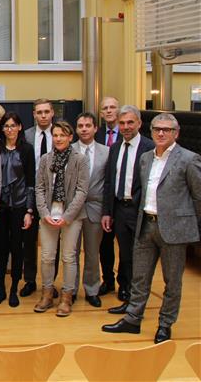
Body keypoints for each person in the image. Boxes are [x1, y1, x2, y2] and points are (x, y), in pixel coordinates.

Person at [102, 113, 201, 344]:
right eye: (157, 129)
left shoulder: (189, 159)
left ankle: (165, 324)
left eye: (167, 129)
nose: (161, 133)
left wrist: (194, 227)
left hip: (174, 230)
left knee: (172, 282)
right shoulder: (146, 158)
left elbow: (198, 197)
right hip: (146, 224)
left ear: (176, 133)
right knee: (140, 277)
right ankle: (133, 319)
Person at [33, 121, 89, 317]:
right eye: (55, 135)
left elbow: (82, 191)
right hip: (48, 216)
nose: (58, 139)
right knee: (47, 256)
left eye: (62, 135)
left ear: (70, 137)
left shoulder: (80, 160)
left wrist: (67, 216)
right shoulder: (45, 159)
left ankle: (66, 297)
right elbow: (39, 188)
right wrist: (44, 213)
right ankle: (47, 294)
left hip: (71, 216)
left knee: (68, 257)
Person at [102, 105, 154, 306]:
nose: (125, 127)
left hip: (139, 209)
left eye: (130, 122)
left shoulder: (149, 148)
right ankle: (126, 291)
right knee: (125, 254)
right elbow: (109, 181)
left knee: (139, 256)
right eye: (122, 123)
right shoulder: (115, 148)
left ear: (139, 123)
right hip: (119, 209)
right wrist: (107, 211)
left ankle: (136, 299)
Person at [0, 112, 34, 308]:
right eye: (6, 126)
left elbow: (31, 181)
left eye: (13, 125)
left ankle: (14, 288)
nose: (9, 129)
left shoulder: (27, 149)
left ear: (19, 127)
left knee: (17, 249)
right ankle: (0, 287)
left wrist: (29, 211)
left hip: (19, 205)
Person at [72, 112, 109, 308]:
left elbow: (108, 183)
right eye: (80, 126)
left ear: (95, 128)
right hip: (72, 209)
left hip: (95, 207)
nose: (84, 129)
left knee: (93, 253)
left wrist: (107, 211)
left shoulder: (106, 152)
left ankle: (92, 289)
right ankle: (71, 289)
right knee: (71, 252)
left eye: (88, 125)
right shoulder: (68, 150)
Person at [21, 98, 55, 297]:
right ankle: (30, 280)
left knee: (53, 241)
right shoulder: (26, 135)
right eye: (39, 112)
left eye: (46, 112)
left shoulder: (59, 134)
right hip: (31, 192)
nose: (43, 115)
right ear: (34, 114)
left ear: (52, 113)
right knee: (29, 239)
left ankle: (50, 283)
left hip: (54, 194)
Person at [95, 96, 121, 296]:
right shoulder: (96, 135)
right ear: (101, 113)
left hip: (124, 199)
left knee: (126, 246)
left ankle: (125, 284)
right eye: (105, 108)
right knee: (105, 244)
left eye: (112, 107)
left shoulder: (128, 134)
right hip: (103, 199)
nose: (109, 111)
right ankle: (108, 280)